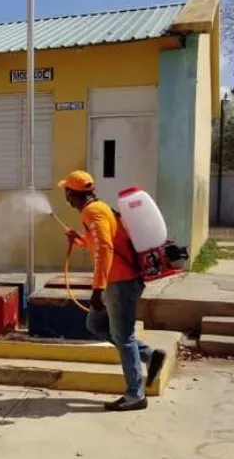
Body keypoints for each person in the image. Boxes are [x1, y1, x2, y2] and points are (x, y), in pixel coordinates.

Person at [57, 170, 166, 412]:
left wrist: (98, 288)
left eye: (67, 192)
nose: (66, 198)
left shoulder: (93, 211)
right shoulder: (98, 209)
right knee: (95, 325)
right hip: (118, 282)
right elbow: (102, 241)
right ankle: (148, 355)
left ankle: (135, 395)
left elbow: (105, 248)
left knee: (123, 338)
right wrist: (78, 239)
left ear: (73, 194)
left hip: (120, 283)